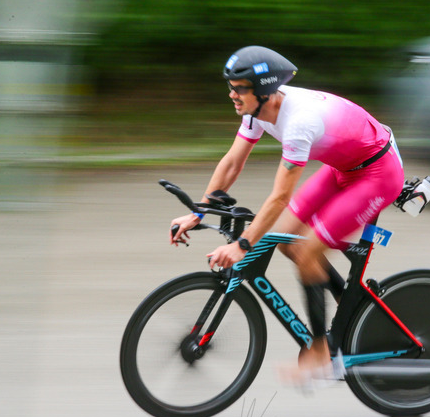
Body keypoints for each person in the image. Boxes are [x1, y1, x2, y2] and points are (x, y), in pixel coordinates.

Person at [169, 46, 405, 386]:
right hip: (343, 168)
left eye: (239, 88)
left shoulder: (298, 123)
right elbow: (233, 162)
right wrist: (197, 212)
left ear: (263, 91)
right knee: (287, 241)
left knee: (307, 249)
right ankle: (351, 306)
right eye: (230, 86)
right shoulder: (256, 111)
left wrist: (242, 245)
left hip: (377, 175)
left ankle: (321, 353)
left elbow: (280, 196)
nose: (232, 94)